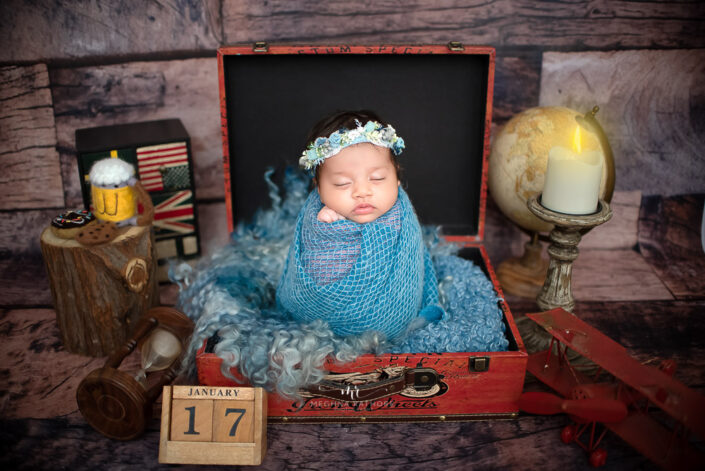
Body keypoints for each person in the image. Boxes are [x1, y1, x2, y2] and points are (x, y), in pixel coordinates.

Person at [276, 110, 444, 341]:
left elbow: (410, 267)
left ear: (397, 178)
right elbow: (315, 260)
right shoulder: (316, 218)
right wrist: (328, 227)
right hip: (319, 313)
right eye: (342, 183)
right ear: (319, 188)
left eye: (377, 178)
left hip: (389, 312)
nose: (362, 192)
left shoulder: (402, 218)